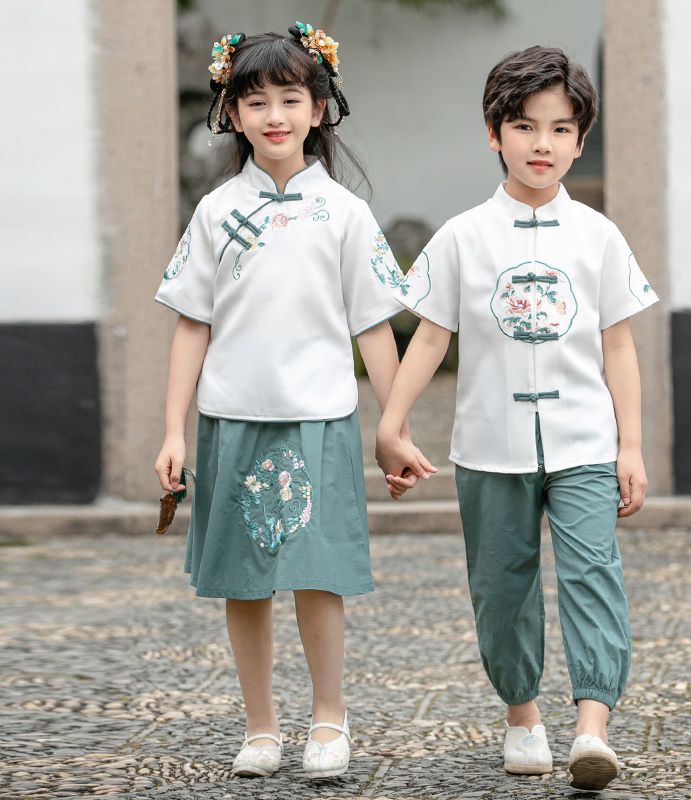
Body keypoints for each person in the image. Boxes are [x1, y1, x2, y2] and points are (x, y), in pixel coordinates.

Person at [375, 46, 658, 791]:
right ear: (494, 132)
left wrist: (632, 445)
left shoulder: (599, 235)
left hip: (586, 442)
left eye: (561, 129)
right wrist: (393, 424)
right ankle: (523, 717)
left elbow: (618, 344)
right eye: (525, 126)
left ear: (580, 139)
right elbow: (429, 336)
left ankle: (592, 729)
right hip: (490, 443)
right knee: (500, 584)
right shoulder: (463, 236)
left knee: (594, 574)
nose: (543, 144)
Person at [154, 21, 424, 780]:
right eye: (255, 100)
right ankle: (262, 725)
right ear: (230, 113)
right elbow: (190, 326)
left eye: (290, 98)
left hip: (320, 419)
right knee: (243, 581)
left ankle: (329, 721)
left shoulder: (343, 213)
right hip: (232, 417)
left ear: (319, 108)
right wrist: (172, 429)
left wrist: (392, 426)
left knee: (319, 573)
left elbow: (375, 327)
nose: (274, 114)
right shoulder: (213, 213)